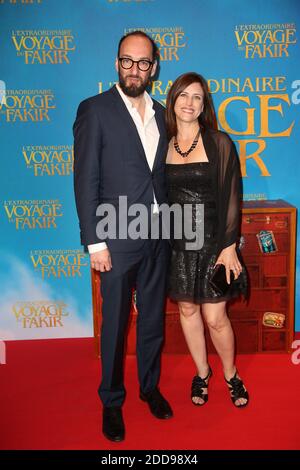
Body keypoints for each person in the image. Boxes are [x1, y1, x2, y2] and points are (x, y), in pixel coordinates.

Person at [73, 31, 173, 442]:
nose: (135, 69)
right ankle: (112, 401)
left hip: (158, 236)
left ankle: (149, 388)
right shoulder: (94, 110)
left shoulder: (164, 114)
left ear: (154, 67)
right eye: (127, 61)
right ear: (117, 63)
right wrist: (95, 242)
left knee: (152, 320)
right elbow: (85, 181)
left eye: (143, 62)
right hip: (115, 239)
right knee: (114, 324)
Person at [165, 72, 249, 408]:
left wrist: (228, 248)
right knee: (187, 310)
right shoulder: (163, 145)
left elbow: (232, 194)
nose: (189, 103)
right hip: (178, 246)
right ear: (172, 100)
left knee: (215, 317)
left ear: (204, 104)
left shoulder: (218, 142)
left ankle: (231, 375)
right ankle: (202, 373)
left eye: (196, 97)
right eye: (183, 95)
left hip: (215, 244)